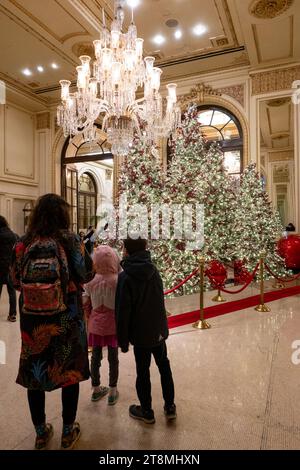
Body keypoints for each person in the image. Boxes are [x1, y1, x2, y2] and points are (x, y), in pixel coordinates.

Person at [11, 194, 93, 450]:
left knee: (35, 374)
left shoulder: (22, 244)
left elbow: (14, 281)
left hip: (33, 321)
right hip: (67, 319)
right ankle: (68, 432)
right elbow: (87, 273)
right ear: (63, 214)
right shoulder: (71, 240)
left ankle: (40, 433)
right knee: (69, 372)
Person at [115, 237, 176, 424]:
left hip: (140, 334)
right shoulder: (154, 270)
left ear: (128, 251)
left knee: (143, 372)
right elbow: (159, 302)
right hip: (157, 331)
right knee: (164, 366)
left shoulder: (125, 277)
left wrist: (123, 341)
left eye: (124, 248)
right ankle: (170, 406)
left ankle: (147, 411)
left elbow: (122, 312)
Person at [83, 245, 120, 405]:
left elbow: (85, 302)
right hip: (113, 325)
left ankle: (96, 389)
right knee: (113, 358)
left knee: (95, 357)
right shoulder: (117, 280)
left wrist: (88, 318)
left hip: (96, 324)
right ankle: (112, 391)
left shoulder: (91, 281)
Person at [0, 216, 18, 322]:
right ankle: (12, 314)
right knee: (11, 291)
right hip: (10, 267)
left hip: (0, 267)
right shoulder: (13, 235)